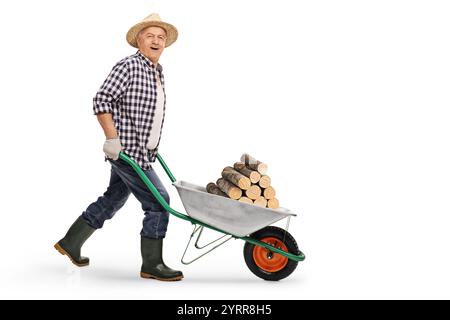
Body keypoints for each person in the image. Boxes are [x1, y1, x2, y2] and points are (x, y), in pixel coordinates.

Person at [54, 13, 183, 281]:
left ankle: (70, 242)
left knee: (114, 198)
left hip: (142, 154)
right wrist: (112, 139)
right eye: (150, 36)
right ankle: (152, 264)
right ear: (139, 40)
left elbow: (149, 114)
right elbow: (102, 99)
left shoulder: (156, 71)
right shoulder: (130, 65)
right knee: (159, 202)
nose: (156, 40)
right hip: (126, 152)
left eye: (161, 37)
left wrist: (151, 147)